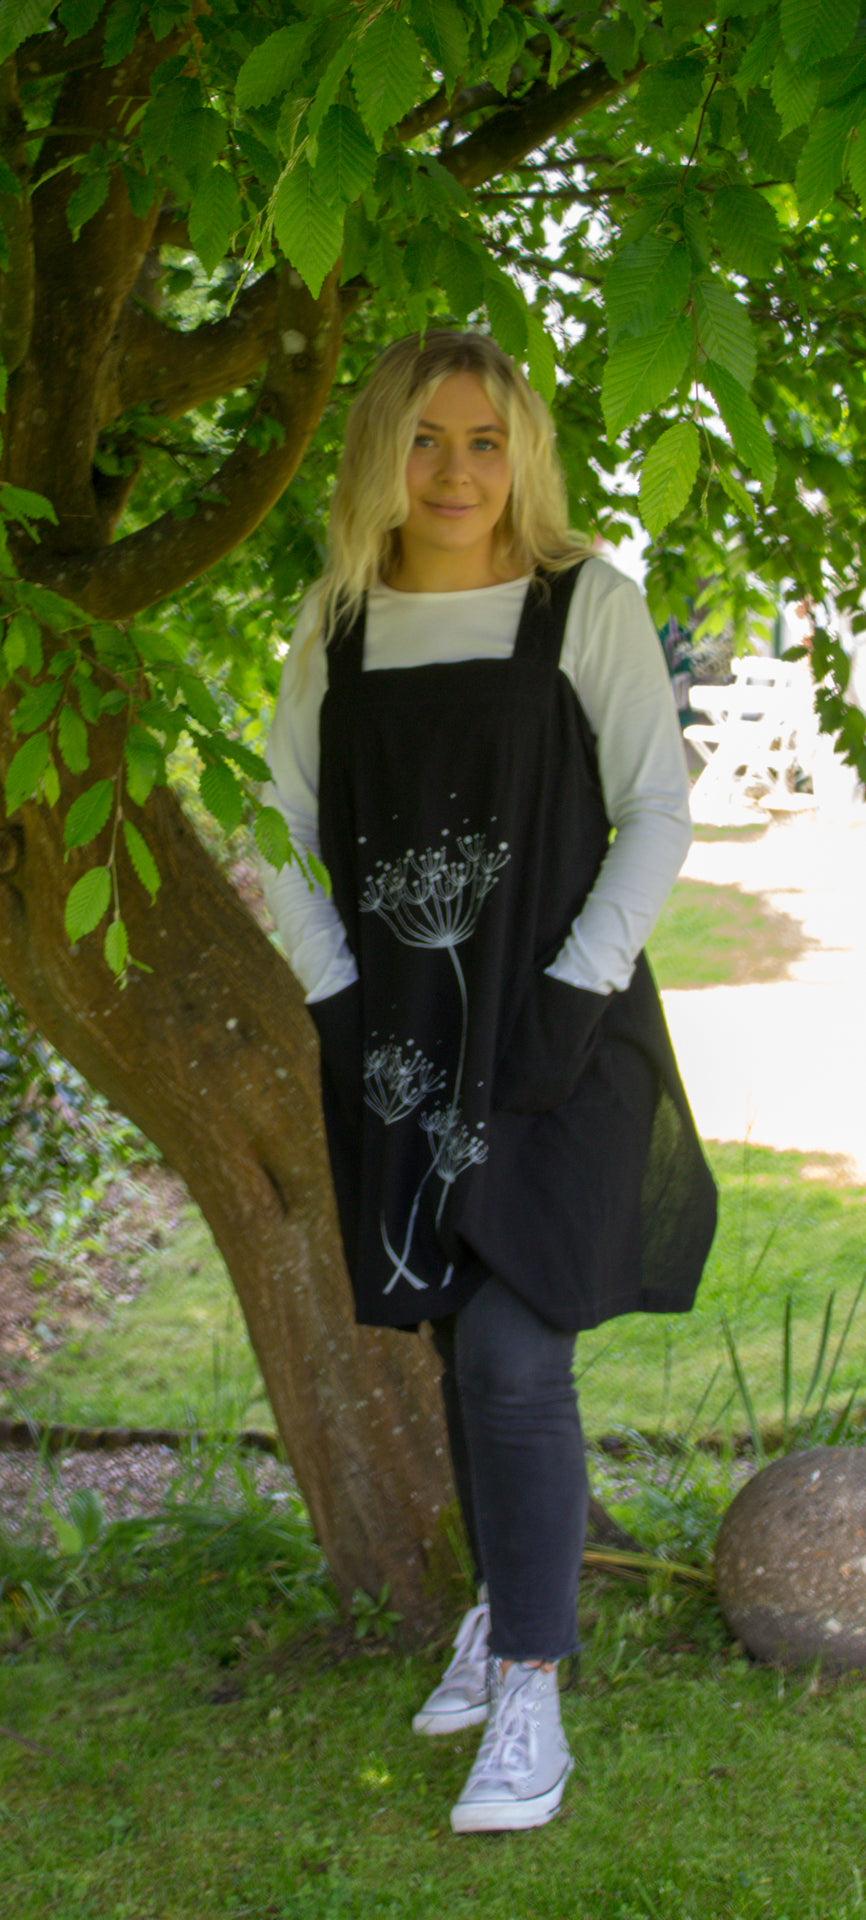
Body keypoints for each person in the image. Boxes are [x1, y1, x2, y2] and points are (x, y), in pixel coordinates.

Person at [260, 330, 717, 1835]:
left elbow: (657, 810)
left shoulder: (584, 600)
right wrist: (335, 999)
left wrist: (577, 989)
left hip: (563, 1036)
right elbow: (277, 830)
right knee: (459, 1341)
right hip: (399, 1038)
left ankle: (529, 1685)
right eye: (422, 439)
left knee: (519, 1355)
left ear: (522, 452)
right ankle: (498, 1618)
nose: (455, 471)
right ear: (375, 456)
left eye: (483, 439)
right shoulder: (334, 623)